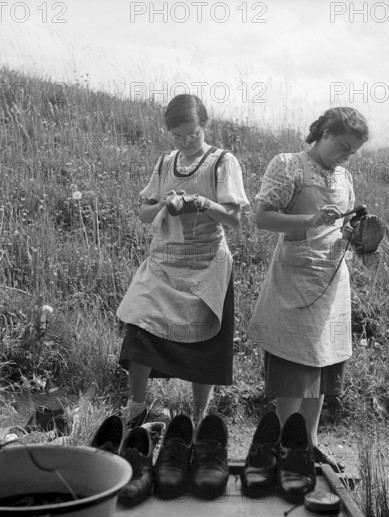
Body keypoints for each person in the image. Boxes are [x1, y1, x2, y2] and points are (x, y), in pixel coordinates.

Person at [247, 107, 369, 472]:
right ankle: (287, 442)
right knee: (294, 367)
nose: (347, 155)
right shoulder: (289, 165)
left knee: (321, 362)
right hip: (296, 278)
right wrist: (309, 220)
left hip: (332, 281)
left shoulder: (343, 176)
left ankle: (310, 443)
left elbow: (342, 224)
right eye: (343, 146)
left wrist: (355, 236)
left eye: (353, 151)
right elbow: (262, 217)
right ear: (324, 132)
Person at [117, 94, 249, 427]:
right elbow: (145, 212)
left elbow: (234, 219)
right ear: (169, 132)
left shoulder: (221, 162)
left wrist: (202, 202)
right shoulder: (165, 163)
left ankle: (199, 418)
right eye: (178, 136)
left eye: (193, 134)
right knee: (139, 325)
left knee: (205, 341)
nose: (186, 141)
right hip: (163, 263)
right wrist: (165, 203)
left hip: (206, 263)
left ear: (205, 125)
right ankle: (135, 409)